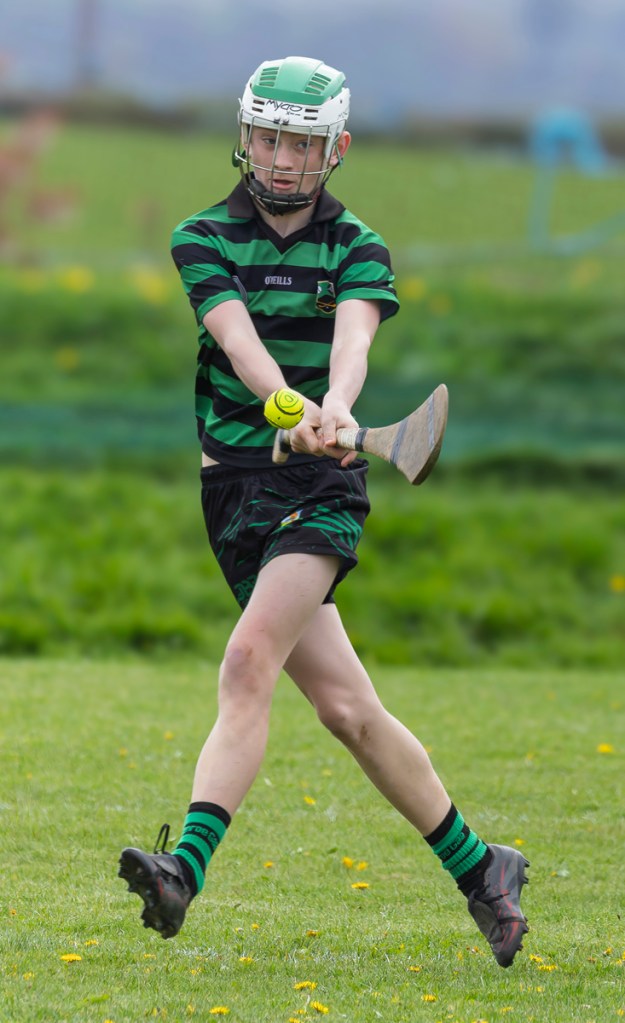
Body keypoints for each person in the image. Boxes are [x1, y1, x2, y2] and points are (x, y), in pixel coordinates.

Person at [118, 56, 529, 968]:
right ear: (245, 135)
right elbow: (237, 341)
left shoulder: (357, 245)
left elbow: (354, 337)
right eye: (267, 137)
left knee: (247, 660)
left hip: (319, 489)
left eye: (300, 144)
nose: (280, 158)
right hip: (231, 491)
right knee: (347, 708)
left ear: (334, 149)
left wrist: (336, 406)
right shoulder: (201, 237)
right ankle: (482, 866)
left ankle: (183, 869)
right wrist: (288, 406)